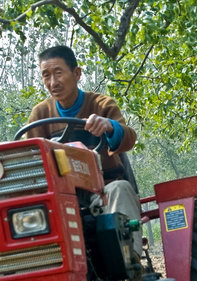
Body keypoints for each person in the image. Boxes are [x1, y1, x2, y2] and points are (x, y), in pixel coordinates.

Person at [27, 45, 142, 255]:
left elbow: (128, 138)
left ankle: (129, 258)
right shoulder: (40, 115)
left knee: (120, 189)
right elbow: (30, 159)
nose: (53, 82)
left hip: (103, 191)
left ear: (77, 73)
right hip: (62, 196)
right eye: (46, 75)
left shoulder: (101, 104)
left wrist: (109, 125)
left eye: (58, 73)